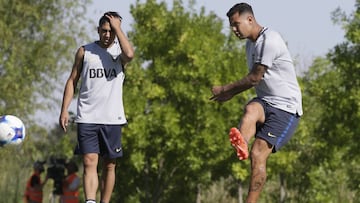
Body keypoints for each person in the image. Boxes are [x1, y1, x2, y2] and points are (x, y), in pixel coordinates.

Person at [210, 3, 303, 202]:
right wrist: (230, 93)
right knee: (251, 108)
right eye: (231, 26)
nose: (234, 30)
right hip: (266, 100)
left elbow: (254, 78)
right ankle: (241, 141)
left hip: (286, 108)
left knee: (258, 154)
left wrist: (226, 90)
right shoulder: (250, 44)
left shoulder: (269, 40)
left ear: (250, 19)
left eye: (236, 24)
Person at [59, 11, 134, 203]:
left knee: (110, 165)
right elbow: (72, 80)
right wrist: (64, 109)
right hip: (87, 116)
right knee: (89, 161)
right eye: (103, 31)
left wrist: (118, 27)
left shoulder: (119, 53)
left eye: (111, 31)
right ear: (98, 30)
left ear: (116, 32)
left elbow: (130, 55)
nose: (107, 35)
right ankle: (90, 201)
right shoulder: (85, 51)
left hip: (112, 118)